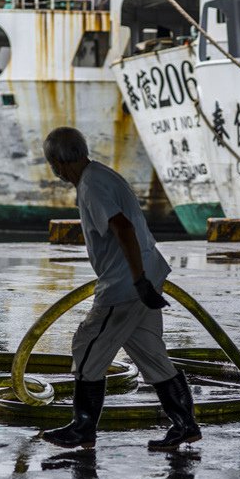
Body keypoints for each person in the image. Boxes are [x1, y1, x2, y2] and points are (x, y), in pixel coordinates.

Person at [41, 126, 202, 450]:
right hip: (142, 275)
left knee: (86, 345)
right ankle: (185, 425)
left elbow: (123, 227)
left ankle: (83, 428)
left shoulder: (91, 185)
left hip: (124, 285)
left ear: (58, 161)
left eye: (52, 163)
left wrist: (138, 279)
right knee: (151, 353)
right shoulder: (100, 176)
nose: (54, 169)